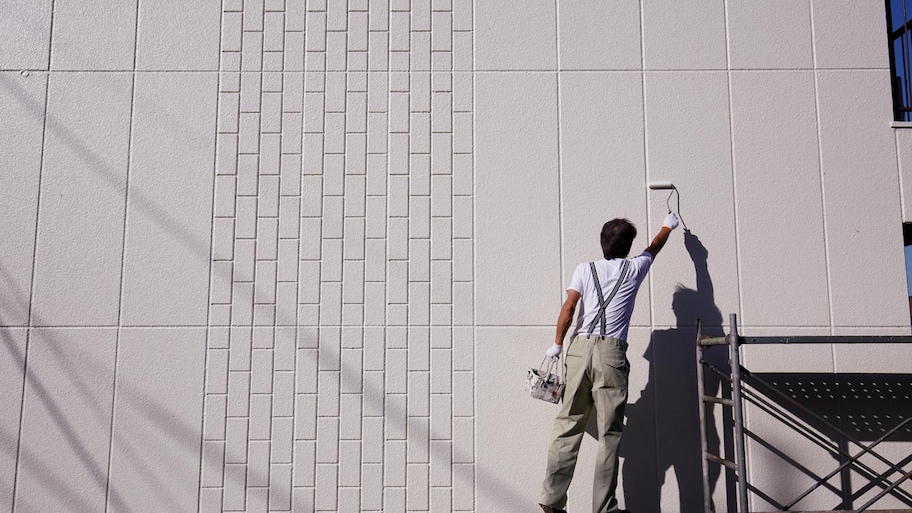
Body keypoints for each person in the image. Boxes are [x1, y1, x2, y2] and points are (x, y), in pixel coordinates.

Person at [539, 213, 679, 513]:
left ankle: (551, 500)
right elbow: (655, 245)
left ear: (603, 242)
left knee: (567, 425)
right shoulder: (634, 268)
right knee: (609, 434)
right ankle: (603, 508)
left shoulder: (584, 269)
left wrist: (557, 344)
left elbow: (569, 307)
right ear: (628, 245)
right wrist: (669, 224)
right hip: (611, 354)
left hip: (578, 349)